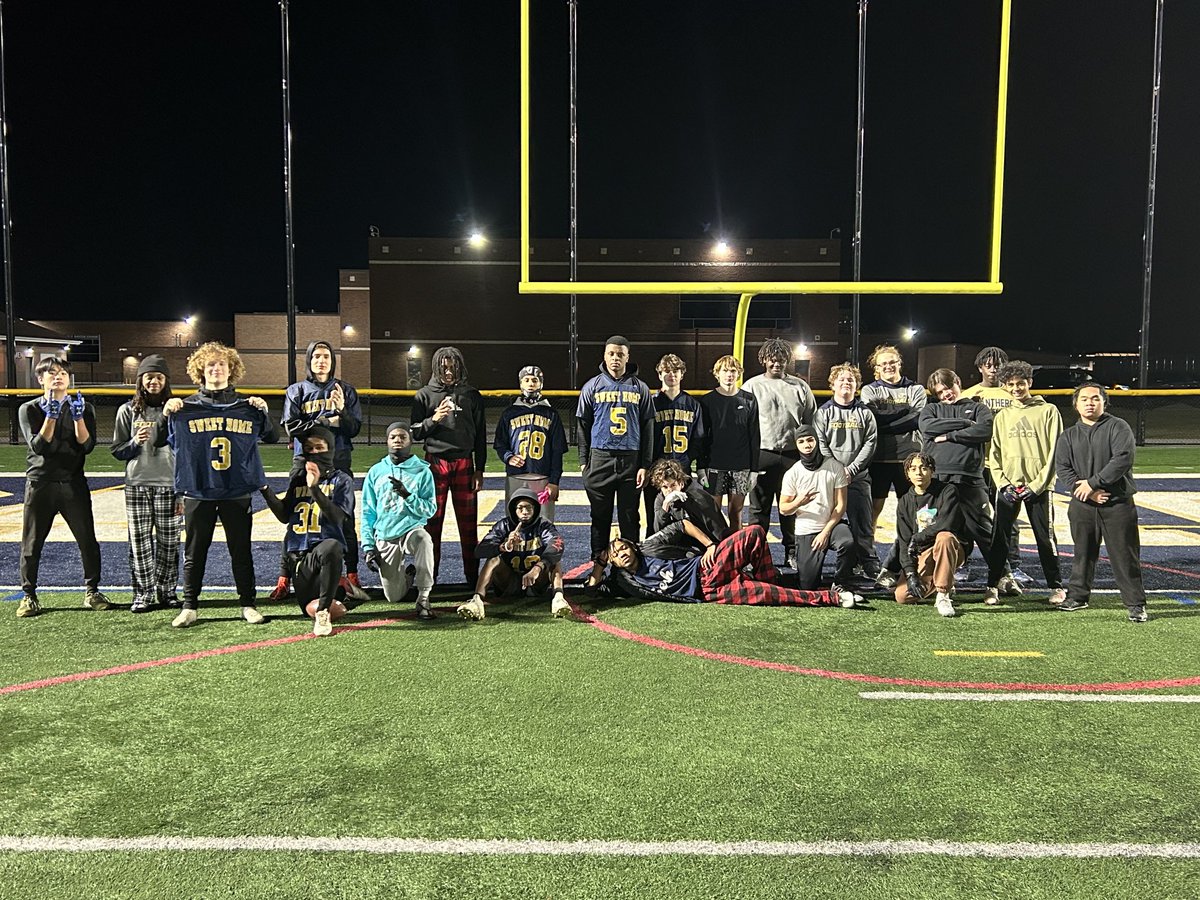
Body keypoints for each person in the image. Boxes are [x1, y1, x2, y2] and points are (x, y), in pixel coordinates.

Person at [164, 342, 278, 628]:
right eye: (211, 365)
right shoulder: (185, 407)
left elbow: (273, 437)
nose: (216, 369)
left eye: (222, 365)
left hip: (235, 489)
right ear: (201, 370)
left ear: (231, 369)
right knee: (194, 552)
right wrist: (166, 413)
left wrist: (264, 412)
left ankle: (248, 603)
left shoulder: (246, 406)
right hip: (198, 489)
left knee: (241, 551)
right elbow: (156, 440)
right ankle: (190, 606)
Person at [16, 357, 108, 618]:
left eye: (62, 373)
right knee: (32, 543)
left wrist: (78, 418)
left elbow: (87, 446)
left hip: (73, 482)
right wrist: (52, 414)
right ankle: (29, 595)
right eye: (51, 373)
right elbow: (39, 446)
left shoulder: (83, 407)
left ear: (69, 378)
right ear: (40, 379)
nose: (57, 377)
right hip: (40, 483)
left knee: (87, 540)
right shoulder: (29, 409)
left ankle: (92, 591)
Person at [276, 339, 366, 601]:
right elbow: (292, 428)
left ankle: (351, 573)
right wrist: (328, 419)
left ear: (333, 360)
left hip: (338, 460)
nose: (321, 361)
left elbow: (354, 429)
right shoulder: (296, 391)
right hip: (305, 462)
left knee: (344, 519)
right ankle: (285, 577)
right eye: (316, 356)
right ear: (309, 360)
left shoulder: (345, 390)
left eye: (326, 356)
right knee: (296, 518)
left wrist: (342, 412)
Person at [919, 368, 1015, 604]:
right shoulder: (931, 409)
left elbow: (985, 429)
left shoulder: (978, 407)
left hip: (970, 480)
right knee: (931, 528)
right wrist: (964, 423)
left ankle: (1003, 575)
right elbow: (928, 428)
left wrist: (951, 435)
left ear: (957, 383)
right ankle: (923, 575)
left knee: (984, 531)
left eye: (948, 388)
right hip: (939, 481)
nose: (945, 395)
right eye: (940, 392)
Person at [1054, 383, 1148, 622]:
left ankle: (1135, 604)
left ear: (1105, 402)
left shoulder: (1118, 427)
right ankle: (1077, 596)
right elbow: (1063, 468)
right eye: (1084, 399)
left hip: (1117, 504)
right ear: (1076, 405)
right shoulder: (1068, 435)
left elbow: (1123, 459)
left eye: (1095, 398)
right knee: (1082, 553)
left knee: (1124, 555)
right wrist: (1085, 489)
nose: (1090, 403)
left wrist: (1093, 483)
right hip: (1083, 503)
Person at [603, 525, 862, 608]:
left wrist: (708, 546)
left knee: (755, 533)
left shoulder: (649, 547)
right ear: (613, 562)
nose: (621, 553)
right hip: (706, 593)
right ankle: (832, 598)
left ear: (632, 546)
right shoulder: (624, 582)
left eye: (623, 547)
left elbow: (682, 524)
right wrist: (599, 564)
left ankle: (769, 578)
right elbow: (595, 586)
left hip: (706, 568)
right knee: (770, 595)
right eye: (615, 554)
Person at [259, 428, 355, 637]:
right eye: (310, 448)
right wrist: (265, 490)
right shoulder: (299, 479)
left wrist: (315, 490)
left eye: (319, 448)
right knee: (308, 608)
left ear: (330, 449)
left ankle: (324, 611)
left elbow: (338, 518)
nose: (314, 453)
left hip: (325, 552)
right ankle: (336, 593)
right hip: (301, 561)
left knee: (331, 546)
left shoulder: (341, 480)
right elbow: (285, 515)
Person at [576, 335, 654, 587]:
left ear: (628, 357)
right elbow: (582, 425)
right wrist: (583, 461)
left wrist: (645, 463)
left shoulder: (639, 387)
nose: (615, 359)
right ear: (604, 356)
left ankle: (629, 571)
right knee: (600, 517)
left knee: (629, 516)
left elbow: (648, 427)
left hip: (630, 459)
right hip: (600, 458)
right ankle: (596, 569)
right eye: (611, 354)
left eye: (620, 354)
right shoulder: (593, 386)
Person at [988, 361, 1066, 604]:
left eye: (1020, 383)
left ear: (1029, 383)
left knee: (1045, 537)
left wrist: (1038, 484)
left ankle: (1056, 586)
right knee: (999, 537)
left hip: (1038, 487)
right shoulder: (1002, 416)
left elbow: (1055, 450)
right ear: (1004, 386)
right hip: (1008, 486)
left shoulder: (1049, 411)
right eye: (1010, 384)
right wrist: (1003, 483)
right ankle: (992, 585)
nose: (1016, 388)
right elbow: (995, 453)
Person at [111, 354, 182, 613]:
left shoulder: (175, 409)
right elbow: (117, 450)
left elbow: (184, 453)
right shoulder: (127, 411)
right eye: (149, 377)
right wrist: (134, 443)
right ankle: (143, 594)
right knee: (139, 542)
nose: (154, 381)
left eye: (159, 377)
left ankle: (167, 591)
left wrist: (182, 493)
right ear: (140, 380)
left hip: (168, 484)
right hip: (137, 484)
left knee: (169, 542)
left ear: (166, 381)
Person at [411, 346, 487, 585]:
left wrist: (479, 468)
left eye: (453, 366)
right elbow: (414, 432)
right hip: (434, 463)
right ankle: (429, 579)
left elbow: (480, 436)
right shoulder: (424, 394)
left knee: (468, 526)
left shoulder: (471, 395)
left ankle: (472, 579)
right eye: (444, 366)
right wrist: (434, 419)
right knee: (432, 524)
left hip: (465, 462)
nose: (448, 371)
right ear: (436, 367)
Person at [742, 338, 817, 570]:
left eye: (782, 359)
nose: (777, 363)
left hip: (792, 455)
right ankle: (756, 555)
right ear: (764, 359)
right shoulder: (751, 386)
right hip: (762, 452)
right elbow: (743, 424)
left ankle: (791, 552)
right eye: (772, 359)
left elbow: (810, 420)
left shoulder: (800, 386)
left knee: (791, 507)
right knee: (758, 510)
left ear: (787, 360)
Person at [859, 343, 927, 589]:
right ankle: (868, 559)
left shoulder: (916, 388)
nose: (888, 366)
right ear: (876, 368)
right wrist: (903, 414)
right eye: (883, 364)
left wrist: (886, 423)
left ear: (900, 363)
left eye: (892, 362)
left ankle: (911, 559)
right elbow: (872, 420)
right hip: (879, 459)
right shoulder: (869, 389)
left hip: (910, 461)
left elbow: (918, 419)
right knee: (873, 512)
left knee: (911, 513)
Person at [960, 346, 1025, 584]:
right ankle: (962, 563)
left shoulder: (1014, 394)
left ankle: (1013, 565)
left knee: (1007, 517)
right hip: (977, 464)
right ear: (980, 367)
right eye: (989, 364)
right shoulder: (969, 394)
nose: (993, 369)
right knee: (968, 515)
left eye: (998, 364)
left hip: (1007, 465)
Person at [361, 421, 437, 619]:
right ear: (386, 441)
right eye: (393, 437)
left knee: (423, 540)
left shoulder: (422, 471)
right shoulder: (375, 472)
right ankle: (408, 576)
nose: (397, 440)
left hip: (411, 529)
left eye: (402, 437)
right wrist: (368, 546)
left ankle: (424, 596)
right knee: (393, 596)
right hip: (386, 533)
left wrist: (408, 495)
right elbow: (368, 511)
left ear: (410, 441)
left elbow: (430, 509)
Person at [458, 489, 569, 621]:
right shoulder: (504, 525)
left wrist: (538, 568)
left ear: (535, 509)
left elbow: (557, 546)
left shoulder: (543, 526)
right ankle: (477, 600)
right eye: (520, 508)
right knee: (493, 559)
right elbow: (480, 550)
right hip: (508, 581)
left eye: (528, 507)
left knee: (555, 561)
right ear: (513, 510)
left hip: (536, 580)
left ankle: (558, 598)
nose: (525, 512)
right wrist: (504, 546)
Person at [814, 363, 879, 581]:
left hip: (858, 477)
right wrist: (837, 469)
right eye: (841, 379)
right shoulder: (823, 413)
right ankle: (823, 562)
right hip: (831, 479)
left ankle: (868, 562)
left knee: (862, 522)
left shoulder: (865, 413)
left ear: (857, 386)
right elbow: (821, 443)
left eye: (850, 380)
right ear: (832, 384)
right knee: (827, 522)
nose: (846, 383)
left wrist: (851, 469)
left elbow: (870, 443)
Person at [779, 424, 856, 590]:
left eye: (810, 440)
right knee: (808, 585)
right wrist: (799, 502)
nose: (807, 444)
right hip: (806, 530)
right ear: (797, 445)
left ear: (816, 441)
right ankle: (810, 573)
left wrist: (825, 532)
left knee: (847, 542)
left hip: (832, 526)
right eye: (801, 441)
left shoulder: (835, 466)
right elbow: (783, 509)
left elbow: (840, 505)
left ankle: (840, 582)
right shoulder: (793, 473)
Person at [493, 365, 568, 522]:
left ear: (541, 383)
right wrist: (508, 457)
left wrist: (554, 481)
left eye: (534, 380)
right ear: (520, 384)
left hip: (542, 475)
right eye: (526, 380)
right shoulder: (509, 413)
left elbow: (557, 451)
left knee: (544, 520)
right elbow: (500, 443)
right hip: (516, 475)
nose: (530, 383)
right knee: (514, 520)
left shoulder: (551, 413)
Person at [893, 452, 964, 618]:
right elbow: (904, 542)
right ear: (907, 474)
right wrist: (910, 574)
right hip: (923, 553)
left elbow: (947, 523)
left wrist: (917, 538)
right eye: (913, 469)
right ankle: (941, 580)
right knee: (903, 596)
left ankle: (943, 594)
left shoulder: (947, 491)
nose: (919, 473)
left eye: (924, 468)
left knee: (944, 537)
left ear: (932, 471)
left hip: (949, 548)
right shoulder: (904, 502)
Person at [644, 354, 705, 537]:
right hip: (656, 470)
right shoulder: (651, 403)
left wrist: (686, 458)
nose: (672, 375)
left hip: (682, 468)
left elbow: (699, 438)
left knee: (684, 514)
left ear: (682, 374)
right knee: (654, 515)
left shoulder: (692, 404)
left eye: (676, 371)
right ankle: (653, 553)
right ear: (659, 374)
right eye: (667, 371)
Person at [697, 355, 759, 530]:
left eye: (733, 370)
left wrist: (753, 469)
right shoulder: (707, 401)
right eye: (725, 370)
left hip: (741, 466)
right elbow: (702, 436)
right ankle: (715, 552)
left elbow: (755, 435)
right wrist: (701, 467)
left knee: (736, 512)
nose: (729, 374)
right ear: (717, 374)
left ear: (738, 373)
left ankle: (735, 553)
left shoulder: (749, 400)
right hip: (715, 465)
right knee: (713, 512)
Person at [647, 458, 732, 559]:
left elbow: (716, 527)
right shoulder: (661, 500)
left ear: (681, 483)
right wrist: (665, 506)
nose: (669, 490)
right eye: (665, 487)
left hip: (703, 543)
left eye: (673, 485)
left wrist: (717, 548)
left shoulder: (697, 496)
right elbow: (659, 532)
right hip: (680, 544)